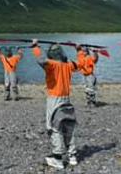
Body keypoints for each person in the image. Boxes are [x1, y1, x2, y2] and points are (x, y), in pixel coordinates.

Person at [32, 39, 80, 169]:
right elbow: (79, 64)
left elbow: (41, 60)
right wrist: (79, 50)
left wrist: (35, 46)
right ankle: (72, 156)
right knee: (68, 126)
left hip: (55, 100)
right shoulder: (68, 65)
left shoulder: (52, 64)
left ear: (52, 55)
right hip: (66, 99)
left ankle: (57, 158)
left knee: (55, 127)